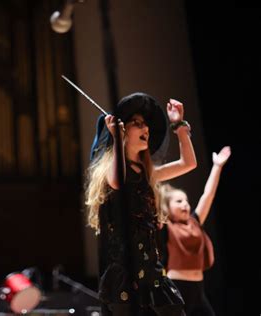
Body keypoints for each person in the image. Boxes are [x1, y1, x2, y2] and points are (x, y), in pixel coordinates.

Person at [85, 92, 197, 316]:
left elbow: (189, 163)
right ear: (123, 130)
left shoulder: (148, 173)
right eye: (136, 123)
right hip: (125, 273)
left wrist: (179, 125)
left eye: (146, 124)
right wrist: (117, 139)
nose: (145, 128)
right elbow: (119, 180)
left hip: (152, 272)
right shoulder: (111, 170)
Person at [158, 146, 231, 316]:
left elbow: (208, 195)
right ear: (166, 207)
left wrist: (217, 166)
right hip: (177, 287)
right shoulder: (166, 227)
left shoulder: (195, 222)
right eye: (178, 201)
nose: (185, 204)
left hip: (199, 288)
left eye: (186, 200)